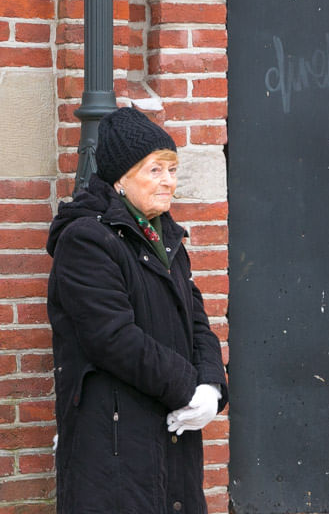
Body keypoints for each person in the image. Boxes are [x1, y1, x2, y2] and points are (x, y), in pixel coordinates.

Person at [47, 107, 229, 513]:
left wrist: (212, 387)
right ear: (120, 178)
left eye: (173, 169)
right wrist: (188, 387)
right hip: (114, 442)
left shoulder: (165, 237)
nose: (169, 182)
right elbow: (112, 338)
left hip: (169, 431)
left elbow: (196, 319)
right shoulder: (86, 240)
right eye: (155, 170)